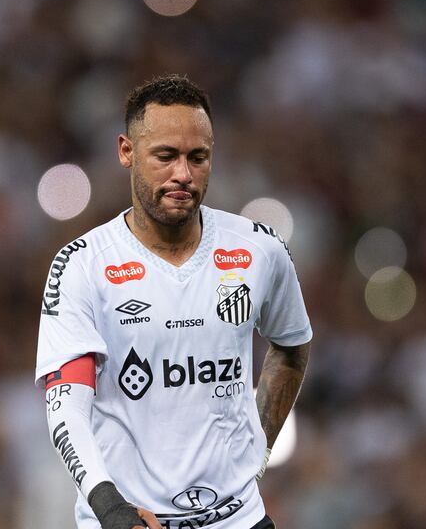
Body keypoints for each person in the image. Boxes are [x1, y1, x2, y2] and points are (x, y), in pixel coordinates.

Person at [35, 74, 312, 529]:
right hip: (132, 522)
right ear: (127, 152)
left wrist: (255, 455)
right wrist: (110, 508)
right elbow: (66, 407)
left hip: (239, 520)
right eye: (165, 156)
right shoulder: (82, 266)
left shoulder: (259, 249)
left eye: (197, 157)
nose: (182, 173)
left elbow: (292, 347)